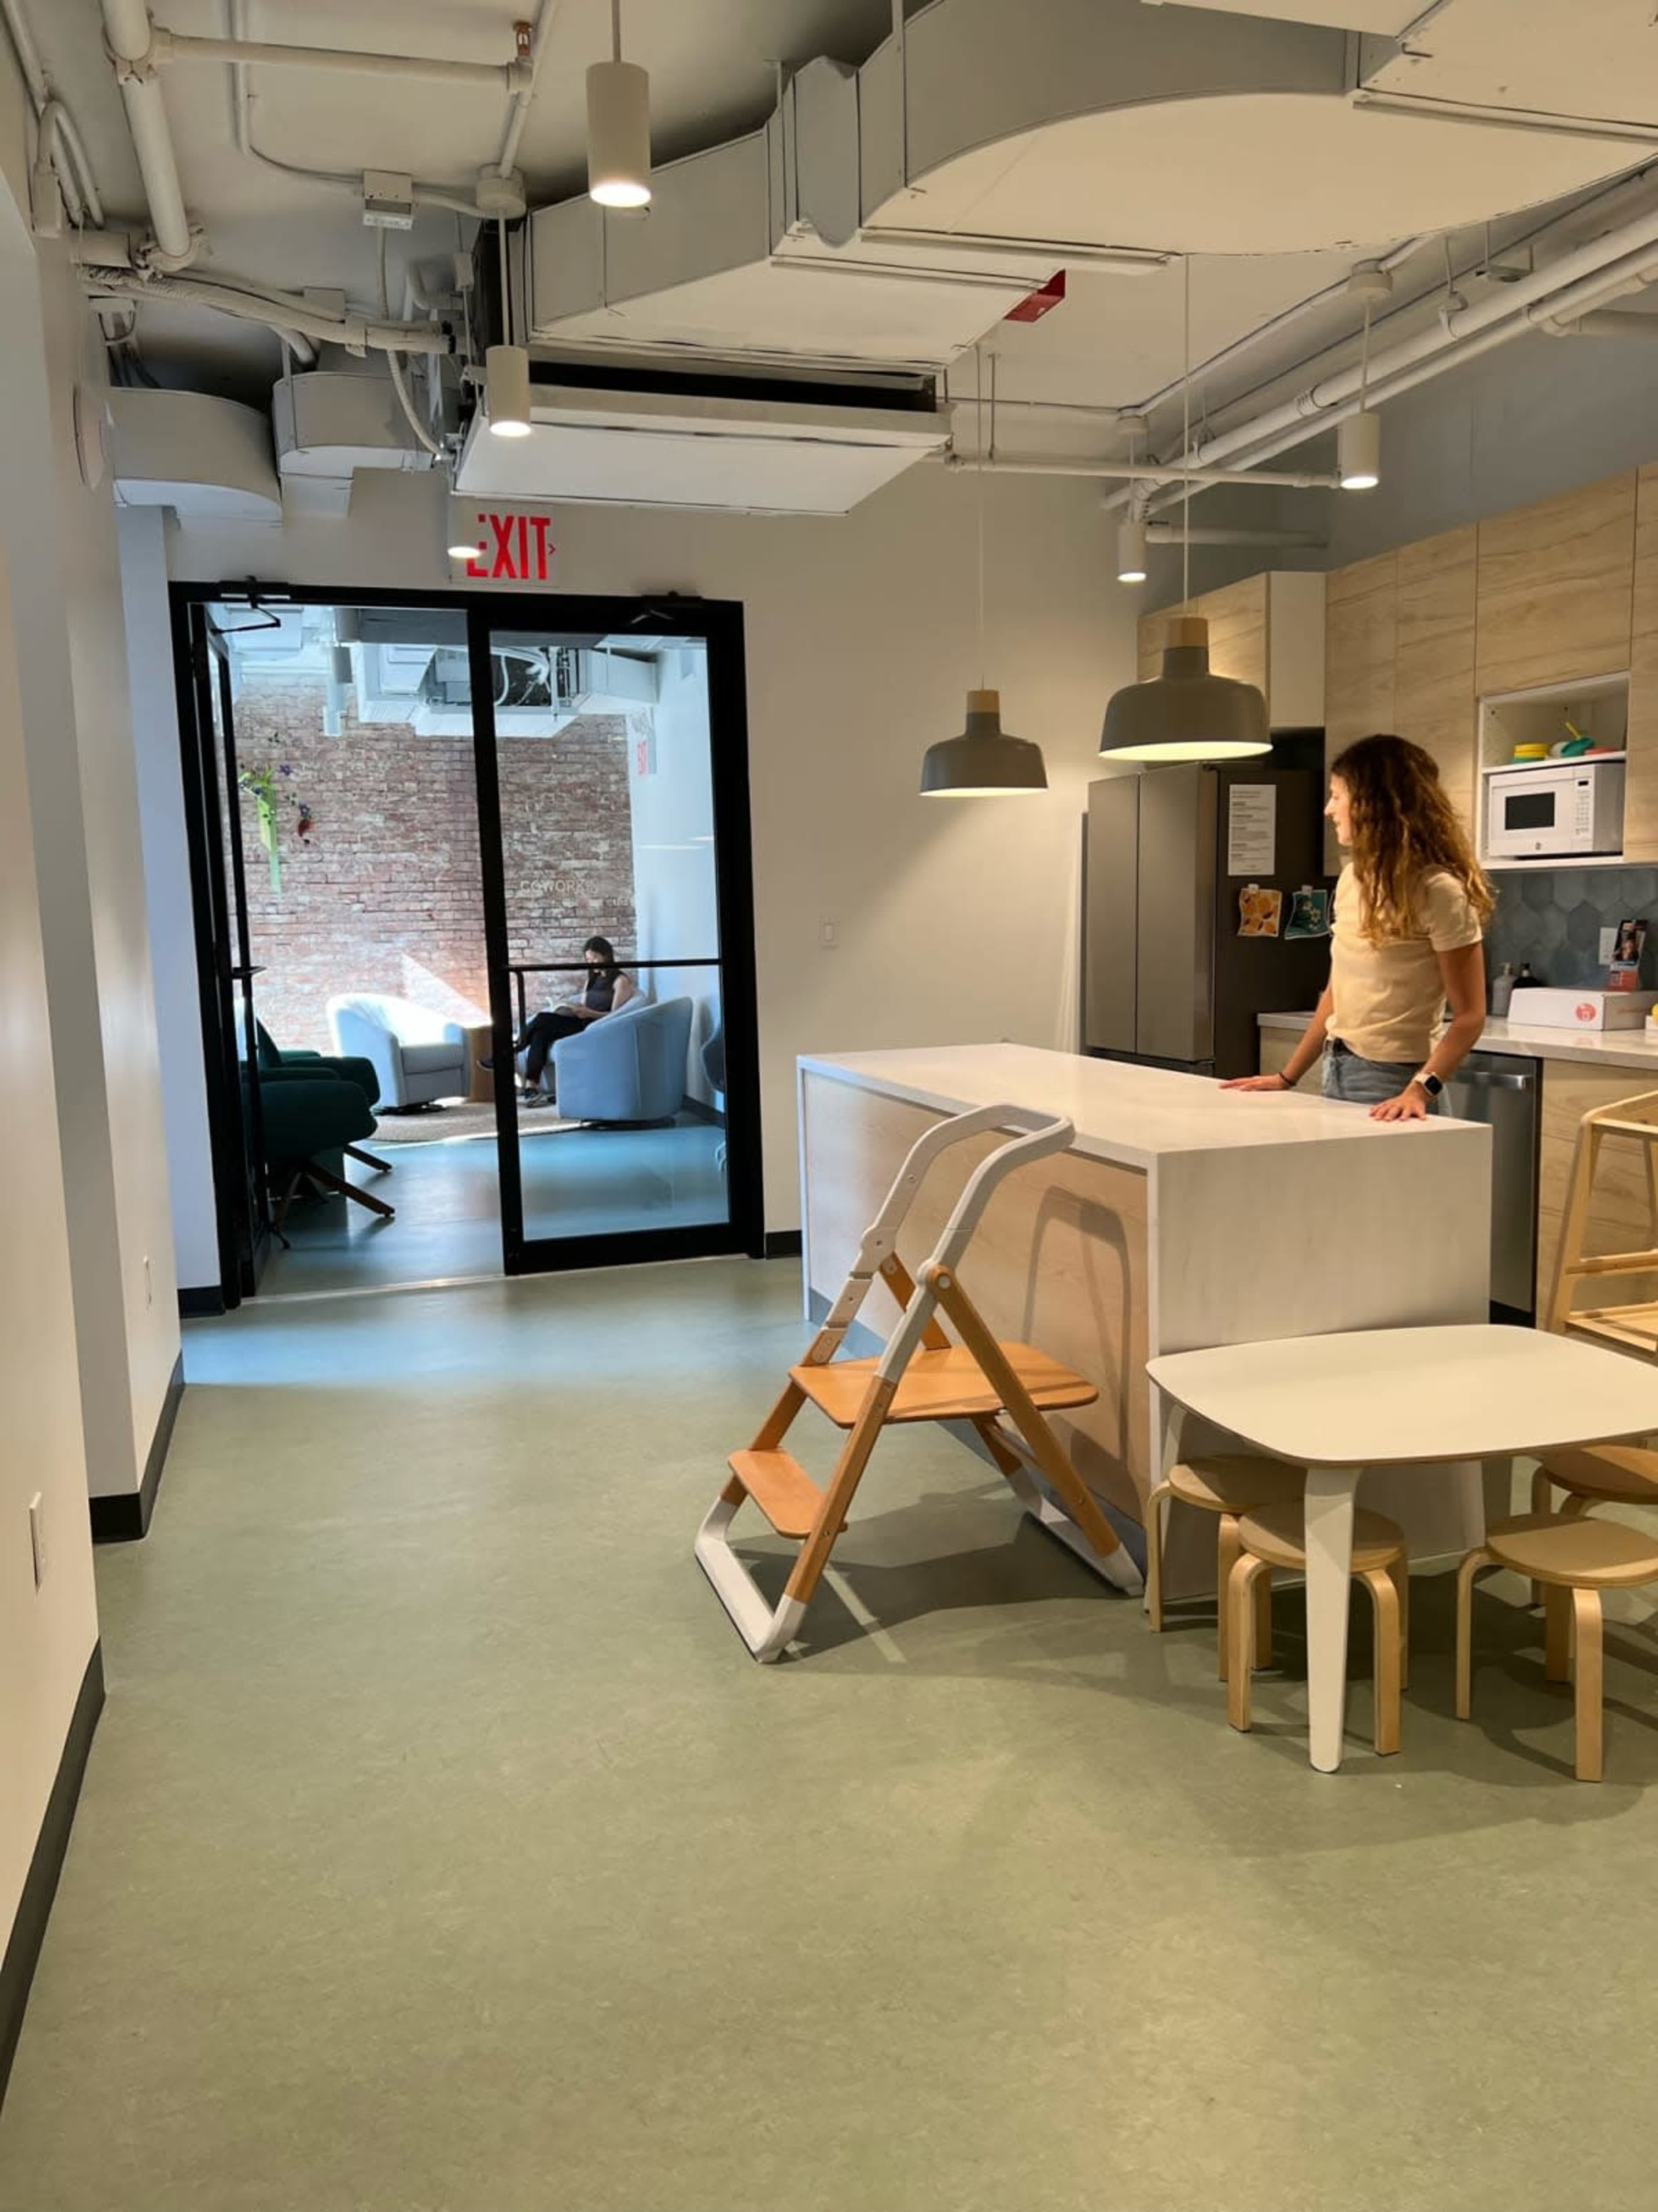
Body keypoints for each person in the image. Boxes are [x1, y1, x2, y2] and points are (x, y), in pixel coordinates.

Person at [1223, 734, 1491, 1120]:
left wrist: (1419, 1090)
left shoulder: (1438, 891)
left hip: (1395, 1081)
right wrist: (1287, 1076)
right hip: (1339, 1067)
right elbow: (1337, 993)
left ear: (1372, 805)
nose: (1328, 809)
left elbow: (1471, 1016)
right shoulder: (1353, 880)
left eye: (1337, 795)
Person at [485, 936, 638, 1106]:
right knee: (540, 1035)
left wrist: (589, 1013)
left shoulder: (621, 981)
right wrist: (573, 1008)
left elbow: (615, 1017)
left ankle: (507, 1053)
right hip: (580, 1021)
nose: (592, 963)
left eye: (595, 958)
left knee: (542, 1019)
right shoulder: (592, 979)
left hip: (593, 1027)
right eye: (588, 959)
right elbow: (584, 1004)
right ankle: (532, 1088)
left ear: (607, 955)